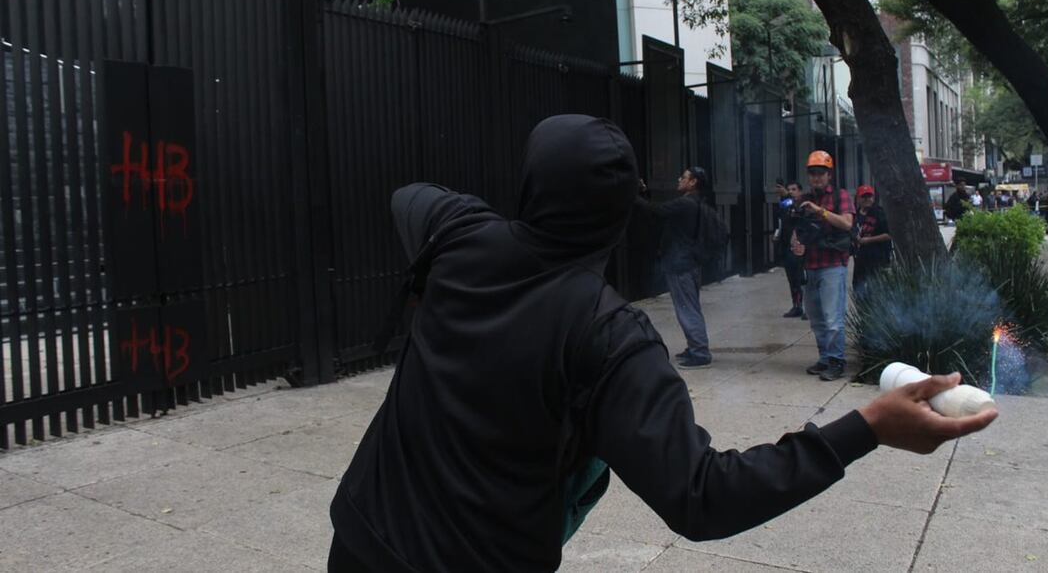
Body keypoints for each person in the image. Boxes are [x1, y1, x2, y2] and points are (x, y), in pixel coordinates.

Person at [328, 115, 997, 572]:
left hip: (363, 539)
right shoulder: (608, 336)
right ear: (621, 219)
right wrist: (868, 428)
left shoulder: (458, 236)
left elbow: (409, 196)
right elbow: (703, 494)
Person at [636, 166, 713, 369]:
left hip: (681, 264)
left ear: (693, 182)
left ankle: (700, 352)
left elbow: (656, 211)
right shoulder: (695, 203)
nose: (680, 179)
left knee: (687, 309)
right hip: (688, 263)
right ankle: (695, 346)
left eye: (684, 177)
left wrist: (632, 195)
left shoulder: (686, 203)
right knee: (690, 306)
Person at [790, 151, 854, 382]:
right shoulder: (803, 199)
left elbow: (847, 224)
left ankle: (837, 361)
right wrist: (795, 244)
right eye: (813, 173)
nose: (816, 178)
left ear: (829, 175)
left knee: (832, 317)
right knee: (816, 318)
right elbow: (797, 230)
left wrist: (821, 212)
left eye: (821, 173)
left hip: (833, 265)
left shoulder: (840, 195)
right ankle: (825, 358)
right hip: (811, 264)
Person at [852, 185, 893, 294]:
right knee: (858, 289)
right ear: (858, 198)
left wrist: (868, 240)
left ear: (873, 198)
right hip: (860, 260)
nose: (867, 199)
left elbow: (889, 234)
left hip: (878, 260)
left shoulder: (880, 213)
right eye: (864, 197)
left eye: (869, 196)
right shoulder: (854, 215)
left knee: (876, 290)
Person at [777, 181, 806, 317]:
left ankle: (806, 307)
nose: (791, 192)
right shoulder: (786, 204)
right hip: (787, 245)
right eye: (789, 189)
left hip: (801, 246)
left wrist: (787, 197)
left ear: (800, 191)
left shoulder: (803, 204)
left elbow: (798, 213)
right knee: (792, 278)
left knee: (803, 278)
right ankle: (797, 305)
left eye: (794, 189)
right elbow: (782, 214)